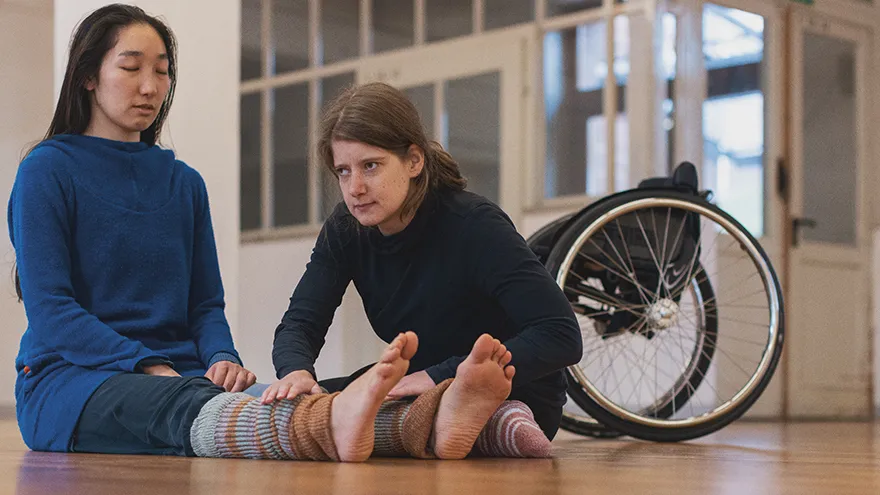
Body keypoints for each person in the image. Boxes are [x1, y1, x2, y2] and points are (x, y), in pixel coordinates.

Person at [10, 3, 492, 463]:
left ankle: (443, 422)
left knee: (275, 398)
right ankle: (358, 422)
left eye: (161, 71)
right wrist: (146, 365)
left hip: (183, 377)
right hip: (71, 383)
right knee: (193, 405)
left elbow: (203, 305)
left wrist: (222, 355)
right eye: (131, 68)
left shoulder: (184, 184)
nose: (150, 87)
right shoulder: (47, 172)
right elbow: (52, 311)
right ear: (89, 76)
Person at [265, 81, 584, 458]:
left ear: (414, 161)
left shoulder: (474, 223)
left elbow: (560, 334)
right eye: (343, 172)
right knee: (302, 408)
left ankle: (501, 422)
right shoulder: (345, 228)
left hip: (514, 392)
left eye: (371, 166)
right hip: (418, 385)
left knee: (344, 418)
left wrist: (441, 374)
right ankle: (457, 427)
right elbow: (300, 321)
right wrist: (297, 371)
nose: (355, 188)